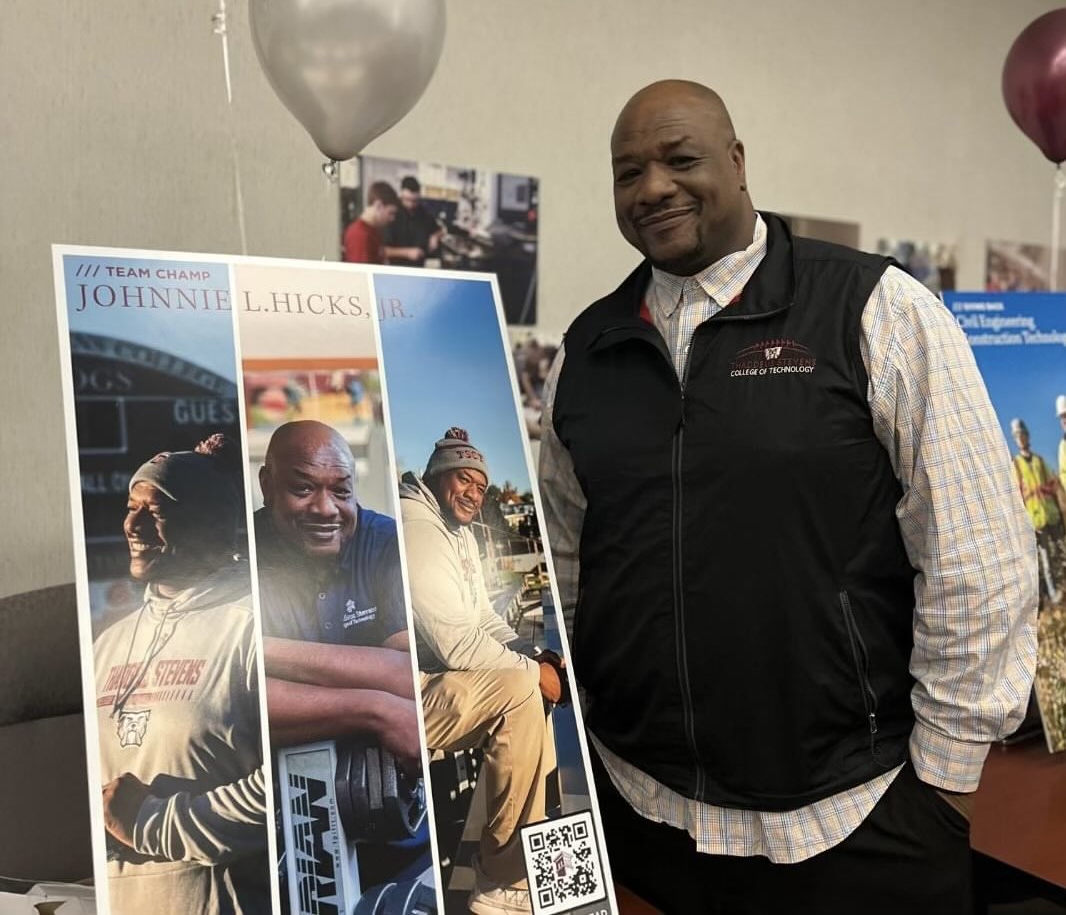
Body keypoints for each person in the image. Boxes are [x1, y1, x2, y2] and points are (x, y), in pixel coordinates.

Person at [539, 79, 1038, 914]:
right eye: (629, 172)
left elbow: (978, 557)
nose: (652, 186)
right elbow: (566, 557)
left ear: (737, 163)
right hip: (637, 809)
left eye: (680, 158)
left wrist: (946, 784)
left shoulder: (876, 309)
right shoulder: (589, 348)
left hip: (849, 823)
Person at [94, 434, 269, 914]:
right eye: (131, 507)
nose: (133, 524)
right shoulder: (106, 647)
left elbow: (295, 790)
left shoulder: (256, 625)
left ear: (209, 522)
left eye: (157, 510)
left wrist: (153, 824)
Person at [399, 427, 566, 915]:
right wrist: (532, 672)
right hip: (407, 692)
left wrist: (535, 658)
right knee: (519, 686)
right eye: (463, 480)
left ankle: (532, 839)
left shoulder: (459, 531)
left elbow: (484, 619)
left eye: (481, 485)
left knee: (530, 680)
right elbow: (455, 643)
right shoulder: (418, 527)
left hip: (439, 684)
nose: (474, 493)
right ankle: (502, 880)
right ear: (437, 475)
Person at [254, 420, 419, 763]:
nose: (326, 509)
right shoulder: (239, 552)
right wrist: (376, 708)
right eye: (302, 489)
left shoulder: (387, 542)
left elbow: (406, 676)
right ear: (267, 485)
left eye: (341, 492)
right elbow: (236, 704)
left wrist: (257, 651)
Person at [1011, 417, 1065, 609]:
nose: (1020, 438)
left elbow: (1053, 486)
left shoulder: (1040, 461)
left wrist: (1060, 510)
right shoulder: (1016, 466)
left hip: (1051, 515)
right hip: (1036, 521)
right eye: (1016, 436)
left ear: (1027, 435)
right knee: (1046, 560)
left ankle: (1062, 587)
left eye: (1022, 434)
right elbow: (1018, 498)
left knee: (1061, 552)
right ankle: (1053, 594)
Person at [382, 175, 443, 267]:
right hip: (397, 268)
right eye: (407, 200)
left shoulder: (423, 212)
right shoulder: (391, 214)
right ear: (401, 194)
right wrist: (407, 253)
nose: (411, 204)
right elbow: (382, 250)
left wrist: (435, 236)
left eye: (414, 201)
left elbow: (439, 230)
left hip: (420, 267)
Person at [343, 180, 400, 265]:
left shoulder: (372, 231)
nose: (392, 218)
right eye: (390, 213)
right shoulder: (359, 234)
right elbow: (362, 273)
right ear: (379, 205)